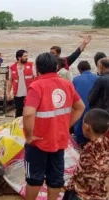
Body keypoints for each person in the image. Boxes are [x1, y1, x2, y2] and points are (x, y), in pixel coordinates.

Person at [23, 53, 85, 200]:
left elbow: (28, 114)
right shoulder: (67, 84)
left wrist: (29, 135)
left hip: (38, 142)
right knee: (55, 177)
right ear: (56, 67)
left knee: (34, 177)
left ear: (37, 68)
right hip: (59, 140)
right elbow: (80, 107)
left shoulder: (36, 86)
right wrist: (66, 126)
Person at [64, 108, 109, 200]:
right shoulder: (106, 143)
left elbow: (80, 178)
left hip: (84, 195)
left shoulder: (89, 152)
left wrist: (68, 187)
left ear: (86, 127)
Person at [72, 61, 98, 146]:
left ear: (79, 70)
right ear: (89, 68)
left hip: (80, 106)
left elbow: (73, 95)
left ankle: (80, 143)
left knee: (79, 123)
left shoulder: (76, 79)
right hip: (94, 107)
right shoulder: (97, 78)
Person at [7, 49, 36, 118]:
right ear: (19, 57)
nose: (27, 57)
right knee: (19, 111)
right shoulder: (12, 67)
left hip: (29, 92)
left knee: (29, 111)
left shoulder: (31, 65)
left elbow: (36, 78)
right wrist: (8, 93)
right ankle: (18, 126)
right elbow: (10, 80)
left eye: (27, 56)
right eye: (25, 56)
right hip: (18, 93)